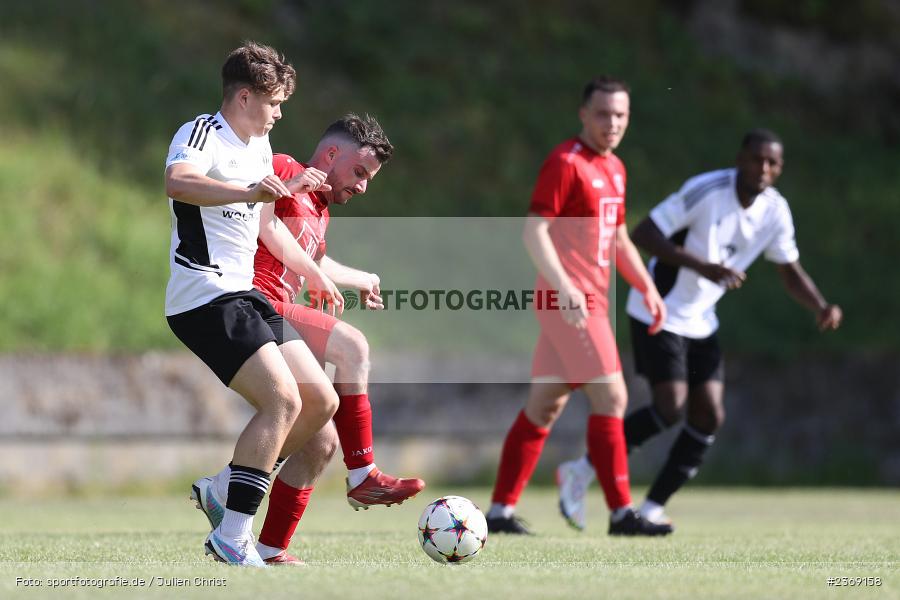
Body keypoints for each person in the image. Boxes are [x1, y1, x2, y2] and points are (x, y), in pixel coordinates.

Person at [556, 129, 843, 531]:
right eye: (756, 158)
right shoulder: (706, 190)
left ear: (779, 169)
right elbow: (644, 234)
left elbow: (789, 269)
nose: (763, 168)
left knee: (709, 415)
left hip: (700, 319)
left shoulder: (775, 211)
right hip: (657, 308)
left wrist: (820, 305)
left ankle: (653, 507)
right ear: (740, 158)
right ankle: (583, 468)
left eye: (772, 162)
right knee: (669, 408)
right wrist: (705, 268)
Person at [191, 114, 424, 565]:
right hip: (254, 302)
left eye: (368, 179)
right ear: (331, 154)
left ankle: (269, 547)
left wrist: (362, 278)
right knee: (352, 347)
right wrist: (315, 270)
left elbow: (312, 260)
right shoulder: (280, 167)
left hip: (278, 313)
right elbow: (264, 225)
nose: (362, 187)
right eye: (359, 173)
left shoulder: (321, 209)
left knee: (320, 443)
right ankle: (363, 475)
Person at [165, 41, 338, 567]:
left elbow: (265, 224)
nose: (279, 113)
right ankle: (232, 536)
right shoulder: (202, 134)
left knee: (319, 402)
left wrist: (314, 273)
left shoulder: (260, 150)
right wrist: (245, 189)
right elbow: (178, 181)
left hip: (245, 294)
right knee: (282, 401)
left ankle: (224, 486)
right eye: (274, 103)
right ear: (244, 98)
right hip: (204, 296)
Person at [485, 77, 672, 537]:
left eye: (621, 115)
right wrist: (564, 285)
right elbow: (535, 232)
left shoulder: (616, 168)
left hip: (586, 298)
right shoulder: (565, 163)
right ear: (583, 115)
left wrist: (645, 285)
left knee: (543, 407)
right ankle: (621, 514)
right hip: (570, 301)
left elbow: (618, 236)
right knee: (613, 397)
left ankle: (499, 512)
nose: (612, 123)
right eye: (604, 114)